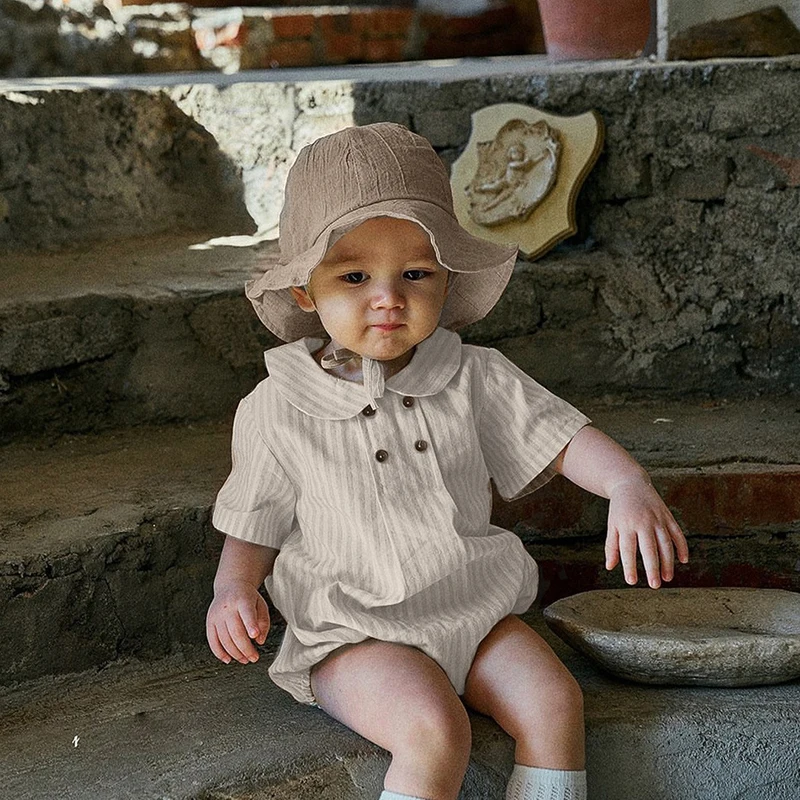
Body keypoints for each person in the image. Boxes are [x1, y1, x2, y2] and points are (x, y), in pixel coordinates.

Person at [206, 123, 689, 800]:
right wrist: (236, 588)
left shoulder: (473, 376)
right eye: (354, 275)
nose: (388, 297)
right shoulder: (279, 404)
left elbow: (559, 436)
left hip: (476, 615)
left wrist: (627, 483)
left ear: (445, 277)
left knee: (555, 703)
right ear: (305, 293)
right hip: (354, 633)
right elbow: (254, 517)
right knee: (434, 727)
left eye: (415, 273)